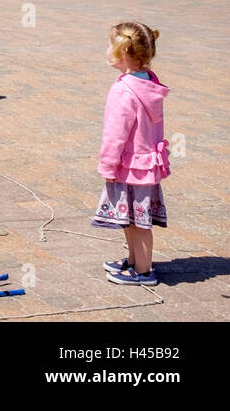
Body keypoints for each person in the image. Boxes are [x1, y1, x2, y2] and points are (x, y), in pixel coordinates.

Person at [94, 22, 169, 286]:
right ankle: (134, 260)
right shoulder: (149, 82)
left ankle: (145, 271)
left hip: (129, 166)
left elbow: (115, 135)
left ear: (122, 50)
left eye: (109, 44)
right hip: (145, 164)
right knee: (132, 220)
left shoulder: (123, 90)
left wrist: (107, 166)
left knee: (140, 224)